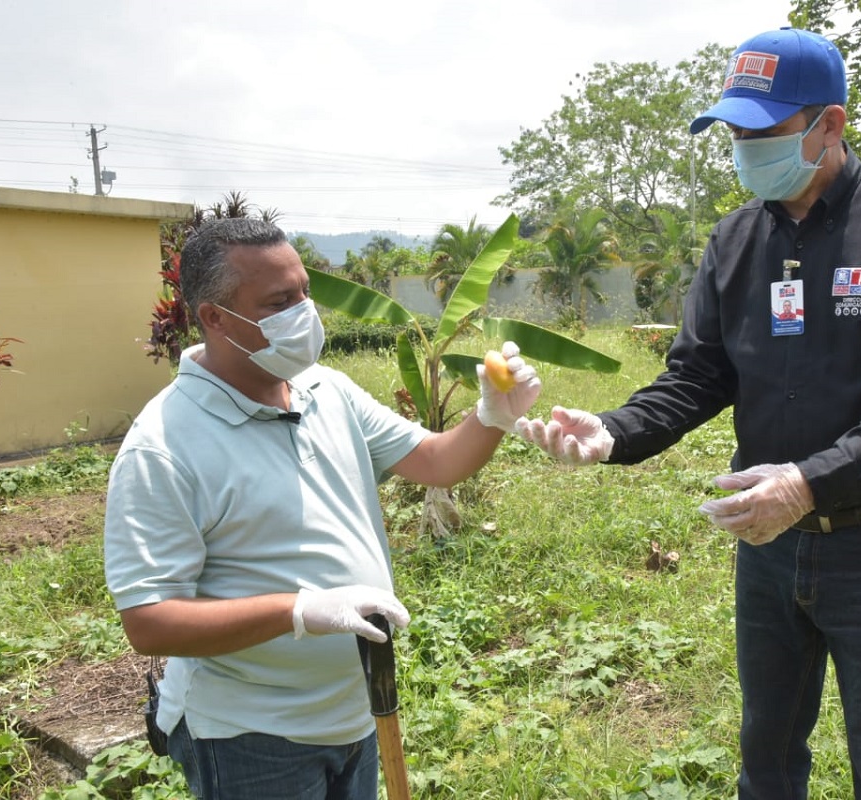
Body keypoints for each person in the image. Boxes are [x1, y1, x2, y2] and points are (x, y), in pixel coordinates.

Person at [517, 26, 861, 800]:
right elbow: (699, 374)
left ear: (828, 125)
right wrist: (615, 431)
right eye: (733, 133)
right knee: (765, 754)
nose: (743, 149)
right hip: (767, 547)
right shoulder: (735, 240)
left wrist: (810, 481)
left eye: (761, 132)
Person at [103, 217, 540, 799]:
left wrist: (491, 416)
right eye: (280, 302)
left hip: (358, 710)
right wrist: (302, 610)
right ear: (214, 318)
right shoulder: (164, 445)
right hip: (248, 739)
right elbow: (149, 621)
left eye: (304, 291)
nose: (304, 313)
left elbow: (437, 461)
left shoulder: (325, 390)